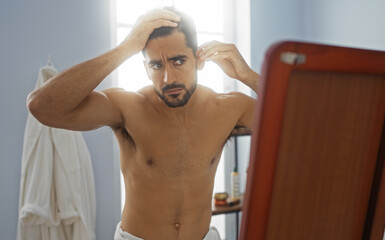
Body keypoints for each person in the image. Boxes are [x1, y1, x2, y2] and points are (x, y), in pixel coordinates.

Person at [27, 7, 258, 240]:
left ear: (199, 59)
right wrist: (125, 48)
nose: (168, 78)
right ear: (146, 69)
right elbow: (41, 106)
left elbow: (295, 127)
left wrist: (247, 76)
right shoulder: (127, 107)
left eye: (178, 61)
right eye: (157, 65)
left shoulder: (227, 108)